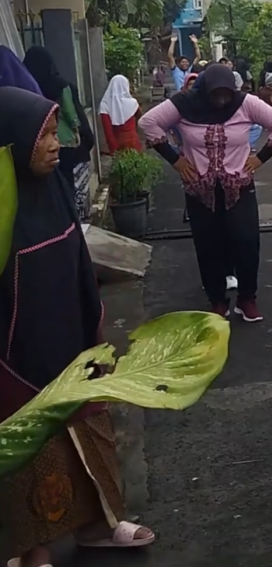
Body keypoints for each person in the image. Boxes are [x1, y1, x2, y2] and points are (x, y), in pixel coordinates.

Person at [0, 86, 158, 567]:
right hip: (18, 356)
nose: (55, 144)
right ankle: (33, 552)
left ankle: (100, 525)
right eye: (41, 135)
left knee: (92, 436)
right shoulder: (4, 210)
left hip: (73, 339)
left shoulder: (56, 192)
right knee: (35, 453)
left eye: (54, 132)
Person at [140, 64, 272, 321]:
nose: (222, 101)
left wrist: (260, 158)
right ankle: (217, 300)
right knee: (208, 244)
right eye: (216, 95)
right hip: (199, 189)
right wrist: (175, 160)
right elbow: (148, 122)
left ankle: (247, 298)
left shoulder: (244, 103)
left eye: (226, 95)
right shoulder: (185, 103)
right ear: (205, 90)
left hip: (239, 186)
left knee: (246, 241)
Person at [23, 46, 95, 222]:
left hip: (37, 146)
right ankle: (72, 220)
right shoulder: (61, 85)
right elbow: (70, 112)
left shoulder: (27, 85)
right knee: (69, 183)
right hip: (65, 143)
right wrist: (77, 128)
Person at [98, 74, 143, 154]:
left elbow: (108, 132)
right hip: (133, 142)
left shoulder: (105, 105)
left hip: (118, 144)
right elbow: (140, 117)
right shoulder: (133, 103)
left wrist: (114, 150)